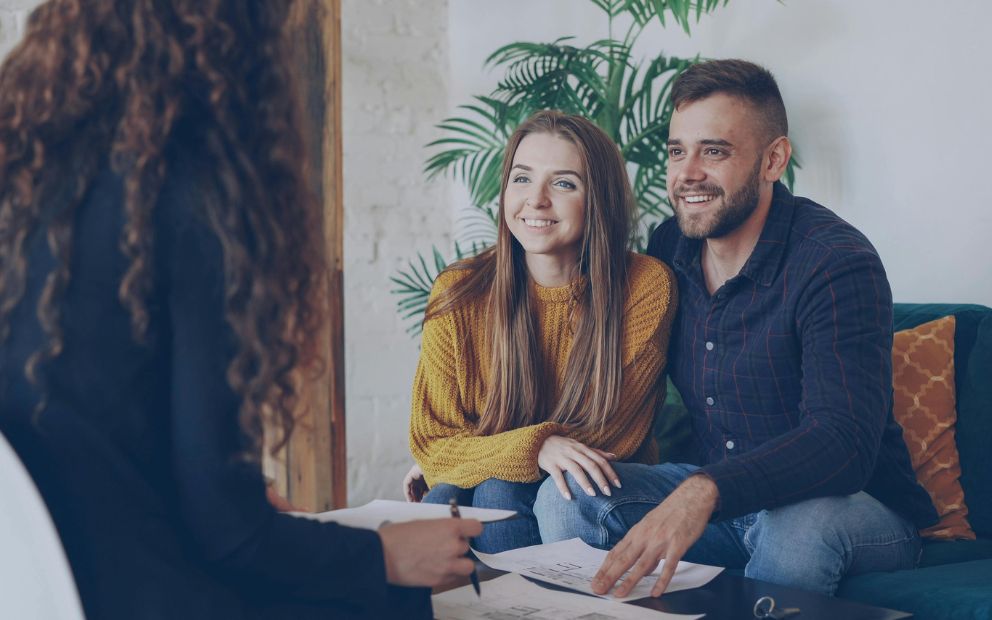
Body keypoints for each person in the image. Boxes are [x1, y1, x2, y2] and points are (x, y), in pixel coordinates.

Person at [0, 1, 479, 618]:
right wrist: (384, 553)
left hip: (32, 582)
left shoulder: (23, 180)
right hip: (136, 588)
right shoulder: (190, 201)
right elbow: (229, 535)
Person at [534, 59, 937, 597]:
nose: (687, 173)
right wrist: (486, 444)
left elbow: (843, 443)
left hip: (853, 512)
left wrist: (705, 490)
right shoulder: (669, 249)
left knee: (797, 527)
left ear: (773, 160)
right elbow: (599, 364)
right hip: (727, 507)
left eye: (714, 151)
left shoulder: (835, 262)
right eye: (678, 151)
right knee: (566, 495)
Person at [403, 110, 678, 553]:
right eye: (522, 178)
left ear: (599, 200)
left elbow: (610, 436)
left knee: (495, 490)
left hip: (595, 494)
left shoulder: (644, 286)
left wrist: (485, 455)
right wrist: (535, 445)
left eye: (564, 183)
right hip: (499, 488)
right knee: (442, 499)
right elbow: (433, 444)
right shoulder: (459, 292)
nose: (536, 200)